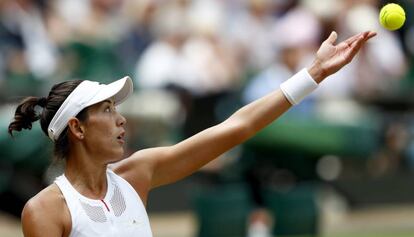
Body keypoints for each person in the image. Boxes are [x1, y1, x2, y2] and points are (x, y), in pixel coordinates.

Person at [8, 30, 376, 237]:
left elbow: (238, 127)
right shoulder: (44, 211)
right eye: (106, 110)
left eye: (116, 109)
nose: (121, 120)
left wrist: (312, 74)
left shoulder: (138, 172)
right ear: (77, 127)